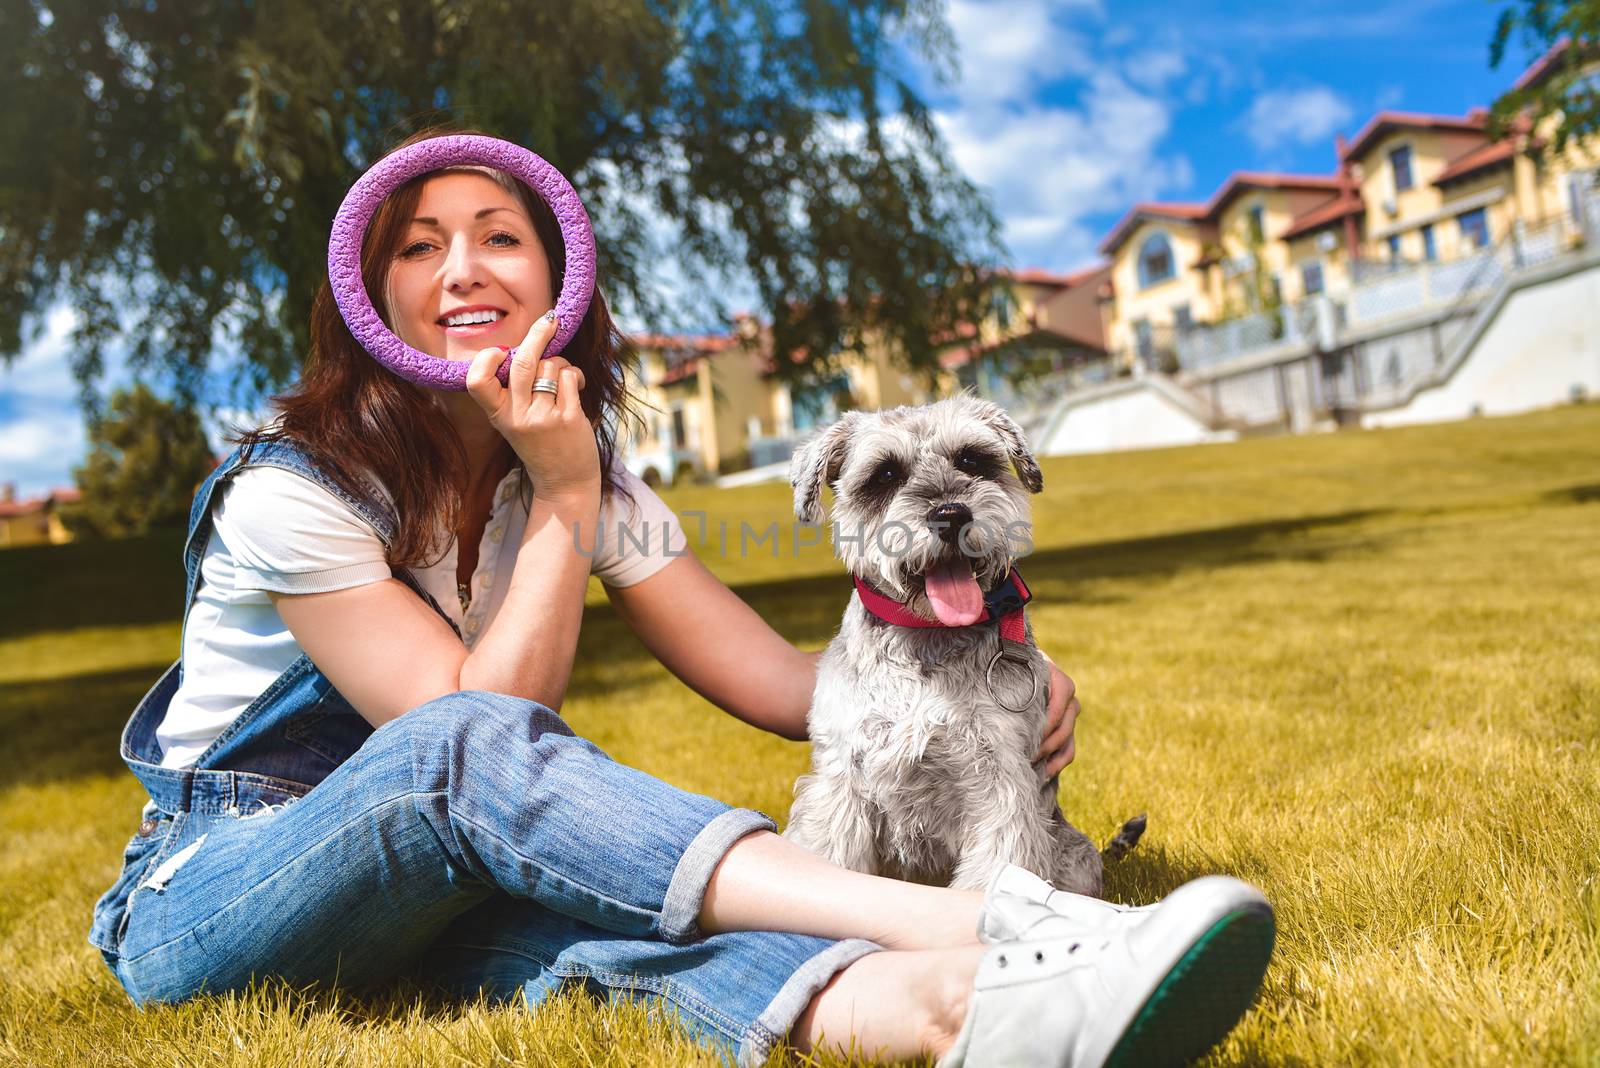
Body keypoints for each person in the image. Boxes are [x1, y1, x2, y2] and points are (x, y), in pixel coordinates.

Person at [88, 124, 1275, 1068]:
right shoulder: (291, 493)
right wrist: (562, 493)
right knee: (463, 747)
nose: (460, 268)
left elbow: (789, 690)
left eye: (499, 235)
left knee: (631, 935)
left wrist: (981, 666)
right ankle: (987, 927)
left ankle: (966, 1010)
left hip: (417, 901)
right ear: (371, 296)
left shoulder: (589, 473)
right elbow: (472, 729)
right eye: (417, 246)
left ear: (558, 276)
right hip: (216, 897)